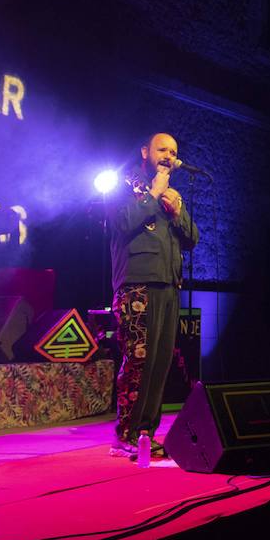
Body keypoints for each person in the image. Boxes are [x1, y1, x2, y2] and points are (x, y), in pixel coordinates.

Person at [107, 132, 198, 460]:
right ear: (145, 151)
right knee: (139, 359)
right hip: (137, 284)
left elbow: (192, 240)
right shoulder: (124, 184)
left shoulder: (173, 194)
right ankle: (124, 433)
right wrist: (152, 195)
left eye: (173, 151)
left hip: (168, 285)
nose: (168, 155)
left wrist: (177, 213)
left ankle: (146, 432)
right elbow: (121, 222)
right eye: (162, 149)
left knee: (160, 361)